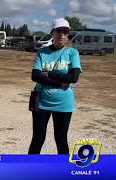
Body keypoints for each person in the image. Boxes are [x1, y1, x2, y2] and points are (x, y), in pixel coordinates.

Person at [28, 18, 82, 154]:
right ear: (52, 33)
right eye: (59, 31)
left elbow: (73, 78)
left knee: (61, 138)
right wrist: (59, 82)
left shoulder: (72, 53)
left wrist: (48, 74)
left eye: (66, 31)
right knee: (38, 139)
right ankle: (28, 169)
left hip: (64, 103)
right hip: (41, 102)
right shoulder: (42, 52)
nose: (62, 34)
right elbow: (35, 76)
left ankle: (64, 171)